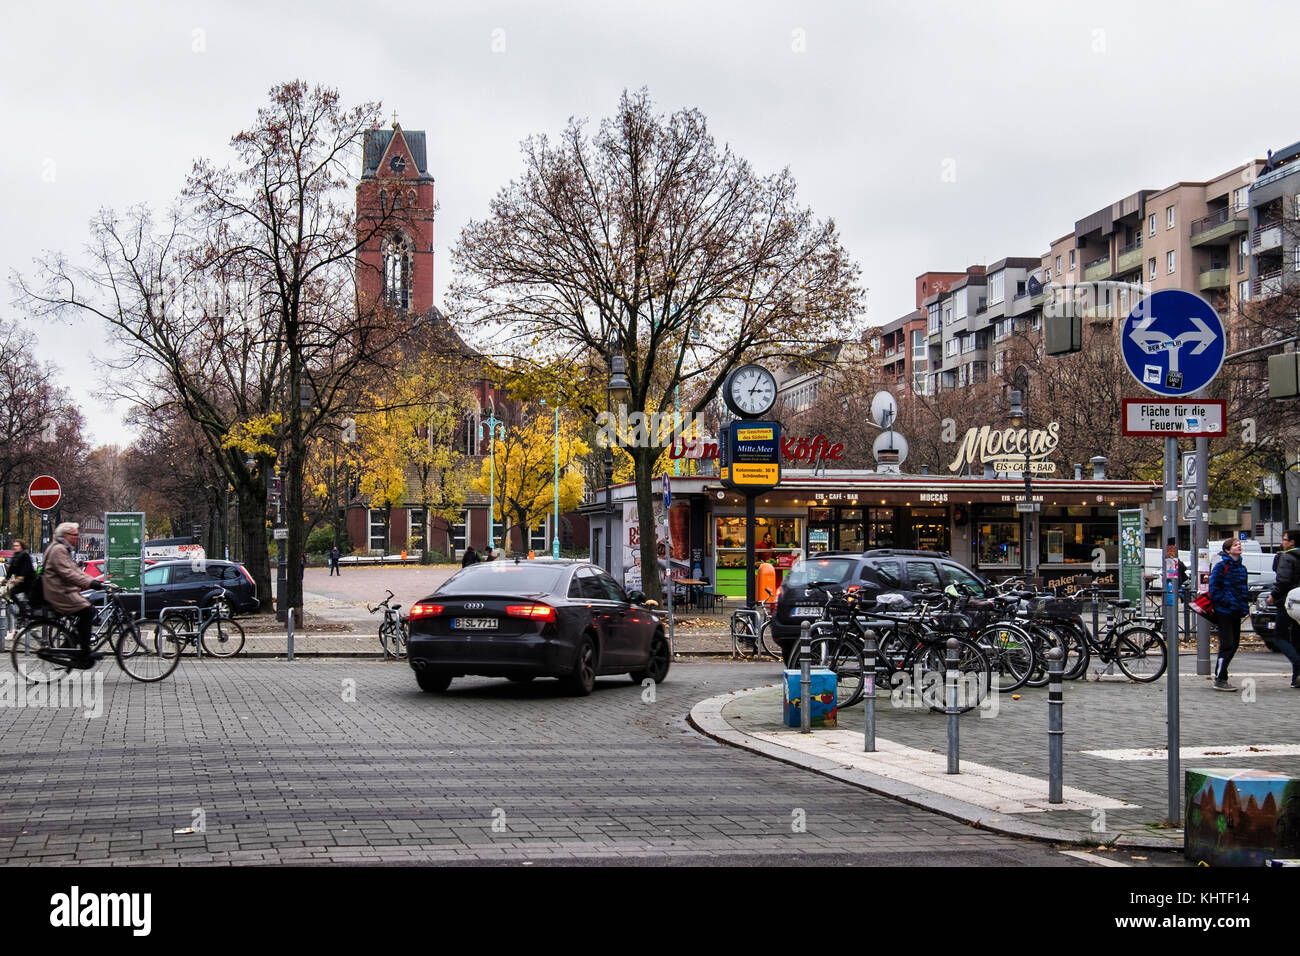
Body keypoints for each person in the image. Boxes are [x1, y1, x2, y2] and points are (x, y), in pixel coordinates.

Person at [41, 523, 108, 668]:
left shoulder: (62, 549)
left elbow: (76, 571)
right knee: (88, 612)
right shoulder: (59, 550)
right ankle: (84, 651)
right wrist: (92, 584)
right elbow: (68, 573)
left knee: (86, 613)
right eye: (74, 535)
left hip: (62, 590)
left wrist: (92, 581)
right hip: (58, 592)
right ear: (64, 536)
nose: (77, 538)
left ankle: (69, 645)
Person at [1208, 537, 1249, 692]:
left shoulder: (1242, 568)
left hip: (1236, 611)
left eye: (1239, 545)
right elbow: (1214, 589)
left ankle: (1222, 675)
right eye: (1235, 545)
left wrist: (1243, 607)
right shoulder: (1221, 567)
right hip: (1224, 611)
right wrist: (1227, 602)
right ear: (1227, 550)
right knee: (1227, 644)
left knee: (1235, 643)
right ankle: (1220, 678)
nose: (1239, 546)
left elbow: (1243, 590)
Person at [1266, 529, 1300, 688]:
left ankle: (1298, 664)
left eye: (1285, 539)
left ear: (1292, 542)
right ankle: (1296, 678)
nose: (1283, 542)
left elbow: (1283, 581)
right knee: (1297, 638)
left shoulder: (1287, 558)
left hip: (1288, 603)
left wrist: (1273, 595)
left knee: (1279, 637)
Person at [5, 539, 36, 604]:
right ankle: (20, 609)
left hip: (29, 582)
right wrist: (6, 578)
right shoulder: (15, 555)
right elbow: (11, 569)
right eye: (14, 546)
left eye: (17, 546)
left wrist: (21, 577)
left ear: (21, 546)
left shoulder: (25, 554)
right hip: (22, 583)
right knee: (11, 593)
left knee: (31, 600)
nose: (15, 547)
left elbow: (26, 567)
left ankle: (23, 612)